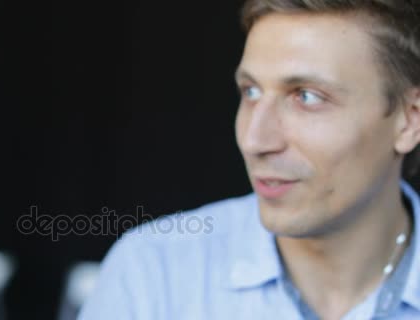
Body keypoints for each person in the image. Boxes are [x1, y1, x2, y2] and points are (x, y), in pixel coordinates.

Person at [78, 1, 420, 319]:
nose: (255, 140)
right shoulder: (153, 274)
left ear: (410, 119)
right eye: (251, 92)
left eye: (307, 97)